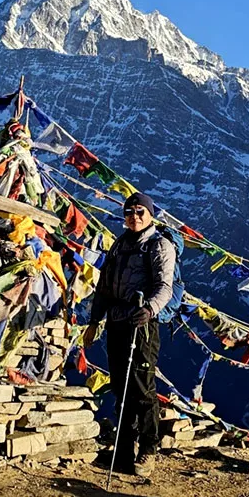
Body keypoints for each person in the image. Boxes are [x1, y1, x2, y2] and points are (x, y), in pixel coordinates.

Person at [82, 192, 176, 477]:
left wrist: (150, 309)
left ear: (150, 216)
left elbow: (165, 286)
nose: (133, 217)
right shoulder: (120, 245)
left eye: (139, 212)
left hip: (143, 324)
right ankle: (123, 451)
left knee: (142, 387)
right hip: (117, 321)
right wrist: (94, 320)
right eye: (129, 212)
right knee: (120, 387)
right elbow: (105, 288)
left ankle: (148, 450)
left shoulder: (159, 246)